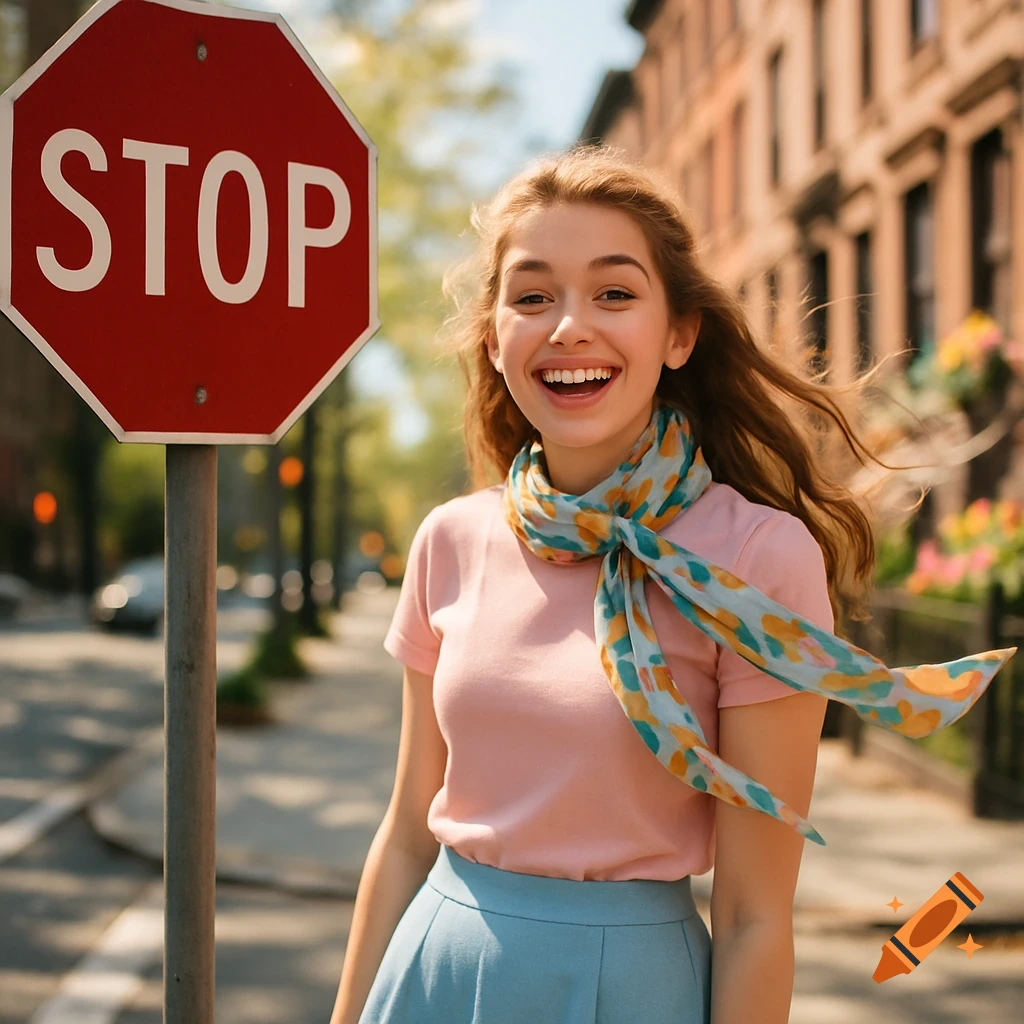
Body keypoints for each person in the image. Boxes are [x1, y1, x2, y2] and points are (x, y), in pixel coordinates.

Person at [329, 145, 1015, 1024]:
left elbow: (755, 915)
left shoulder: (758, 557)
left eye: (614, 293)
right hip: (430, 975)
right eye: (532, 296)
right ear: (495, 339)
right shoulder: (450, 539)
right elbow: (405, 836)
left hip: (630, 991)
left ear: (680, 333)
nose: (569, 325)